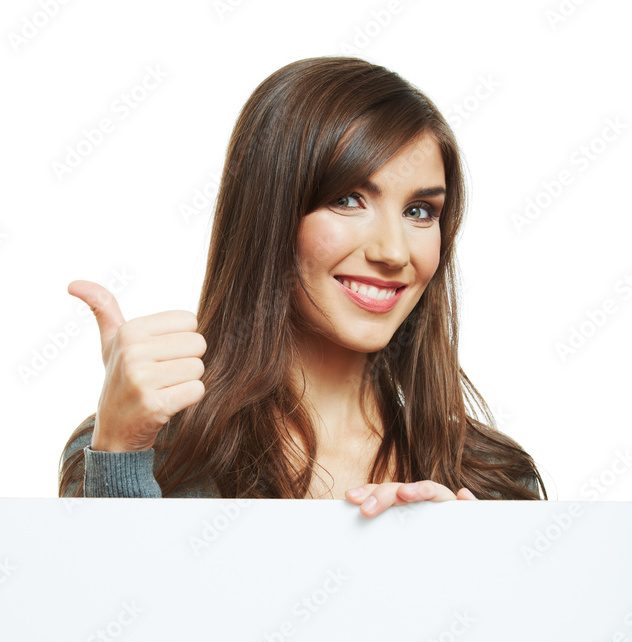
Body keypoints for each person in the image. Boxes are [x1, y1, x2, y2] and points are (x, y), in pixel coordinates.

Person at [58, 55, 547, 515]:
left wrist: (475, 571)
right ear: (270, 214)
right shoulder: (135, 449)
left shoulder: (494, 480)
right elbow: (121, 603)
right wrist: (121, 454)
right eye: (349, 200)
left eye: (420, 212)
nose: (394, 253)